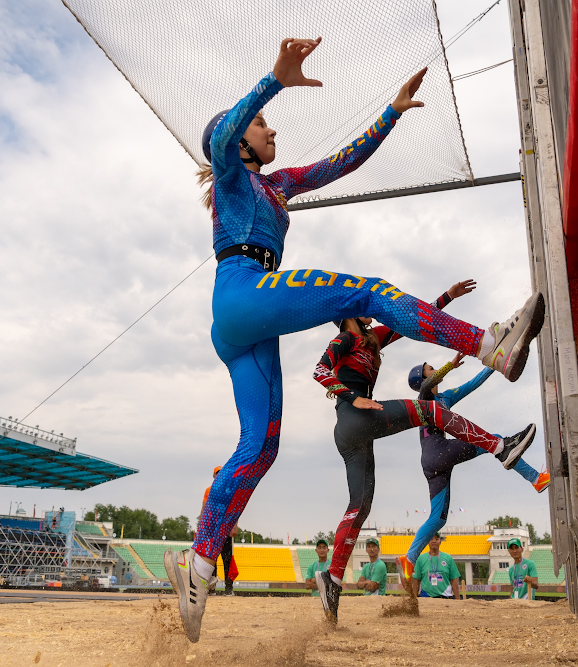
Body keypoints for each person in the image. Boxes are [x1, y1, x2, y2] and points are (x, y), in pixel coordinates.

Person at [164, 36, 546, 643]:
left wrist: (391, 113)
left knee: (260, 447)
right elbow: (217, 138)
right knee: (364, 292)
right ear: (238, 141)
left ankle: (200, 562)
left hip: (242, 323)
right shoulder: (233, 174)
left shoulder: (279, 183)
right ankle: (487, 345)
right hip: (240, 289)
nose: (269, 130)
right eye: (261, 125)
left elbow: (340, 164)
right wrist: (273, 79)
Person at [311, 291, 537, 623]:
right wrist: (350, 396)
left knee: (359, 506)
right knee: (428, 410)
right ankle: (501, 448)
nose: (371, 316)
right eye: (365, 312)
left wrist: (447, 297)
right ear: (351, 316)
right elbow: (319, 370)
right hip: (354, 417)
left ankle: (331, 580)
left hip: (352, 429)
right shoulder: (344, 339)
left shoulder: (372, 341)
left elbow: (414, 319)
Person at [396, 355, 550, 594]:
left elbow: (472, 384)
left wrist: (494, 365)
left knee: (438, 519)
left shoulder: (445, 397)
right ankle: (535, 478)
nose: (433, 368)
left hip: (432, 462)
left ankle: (410, 558)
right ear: (423, 376)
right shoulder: (424, 398)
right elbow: (427, 385)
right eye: (430, 368)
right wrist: (449, 366)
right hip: (438, 452)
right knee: (495, 442)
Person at [199, 466, 239, 595]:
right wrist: (201, 527)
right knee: (211, 560)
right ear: (214, 476)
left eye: (221, 473)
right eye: (217, 473)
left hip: (226, 529)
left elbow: (234, 510)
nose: (219, 475)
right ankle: (212, 588)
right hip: (212, 530)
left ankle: (229, 588)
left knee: (227, 559)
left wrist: (234, 526)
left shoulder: (230, 490)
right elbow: (204, 509)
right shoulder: (208, 490)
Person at [411, 532, 462, 599]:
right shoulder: (421, 558)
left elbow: (453, 579)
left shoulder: (448, 558)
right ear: (427, 542)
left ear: (440, 541)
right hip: (426, 597)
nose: (434, 541)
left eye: (436, 539)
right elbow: (416, 580)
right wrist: (414, 599)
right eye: (431, 539)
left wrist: (457, 599)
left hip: (445, 597)